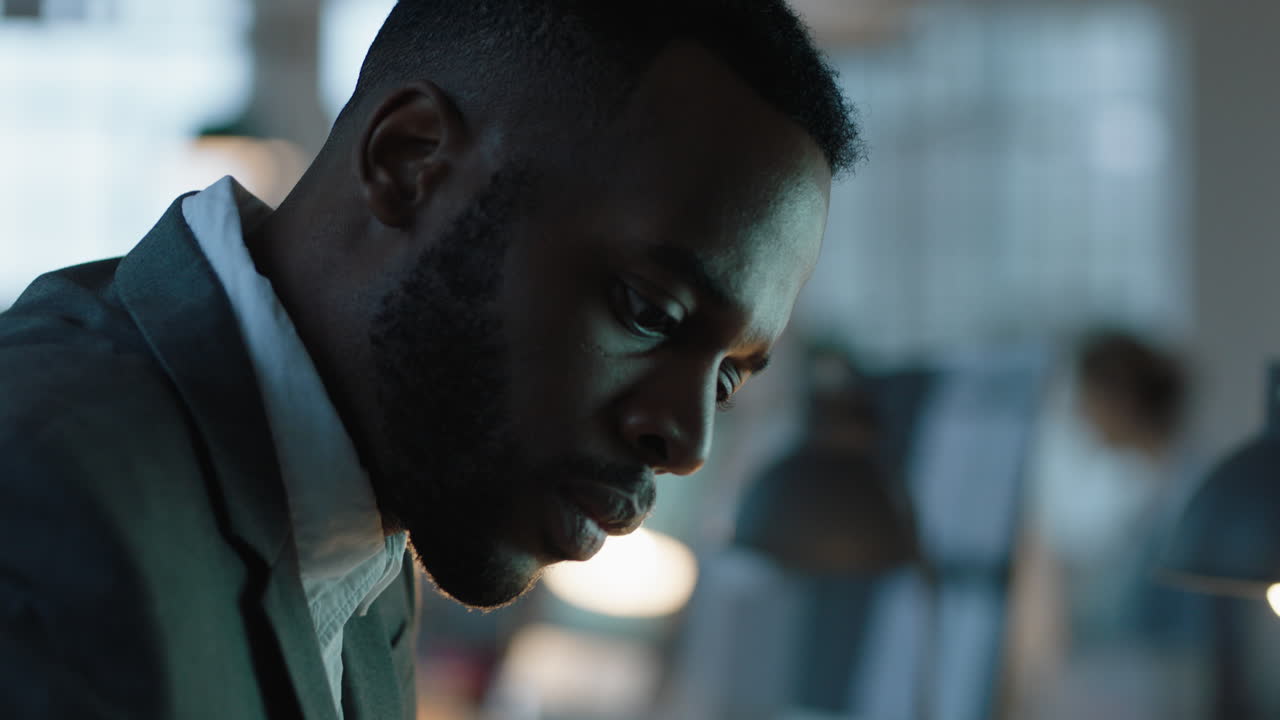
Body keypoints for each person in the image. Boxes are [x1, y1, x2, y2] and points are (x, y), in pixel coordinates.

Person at [0, 1, 862, 718]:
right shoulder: (44, 506)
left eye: (727, 376)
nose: (686, 439)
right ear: (409, 162)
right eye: (648, 311)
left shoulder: (369, 508)